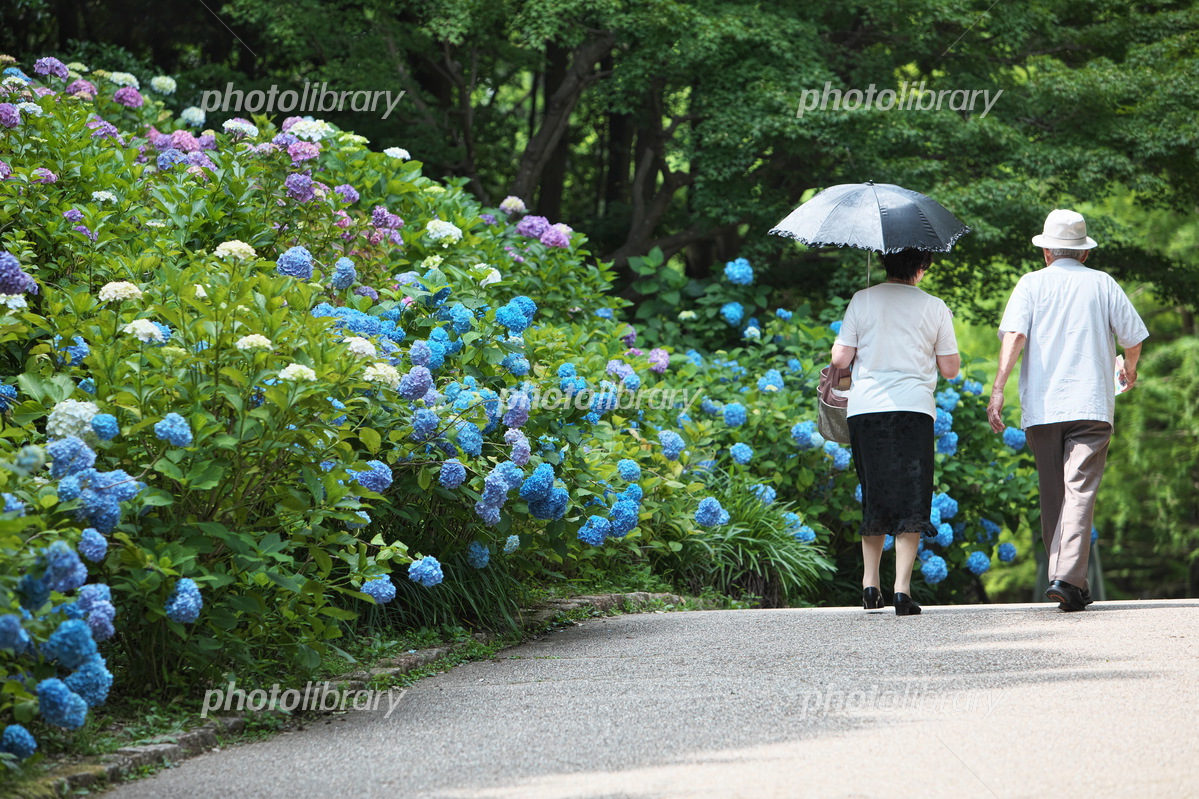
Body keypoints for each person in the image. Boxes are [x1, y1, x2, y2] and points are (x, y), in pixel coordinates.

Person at [988, 209, 1148, 612]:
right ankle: (1067, 578)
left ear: (1046, 252)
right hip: (1092, 404)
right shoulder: (1103, 284)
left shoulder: (1030, 284)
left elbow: (1015, 336)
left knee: (1054, 494)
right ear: (1084, 254)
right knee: (1080, 490)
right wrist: (1128, 369)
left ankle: (1068, 579)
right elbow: (1133, 337)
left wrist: (998, 389)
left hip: (1042, 407)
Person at [832, 248, 960, 616]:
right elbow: (950, 368)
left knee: (875, 492)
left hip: (867, 410)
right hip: (913, 410)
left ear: (886, 264)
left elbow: (840, 360)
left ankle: (869, 585)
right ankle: (901, 590)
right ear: (920, 269)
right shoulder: (934, 306)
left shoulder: (862, 299)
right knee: (912, 496)